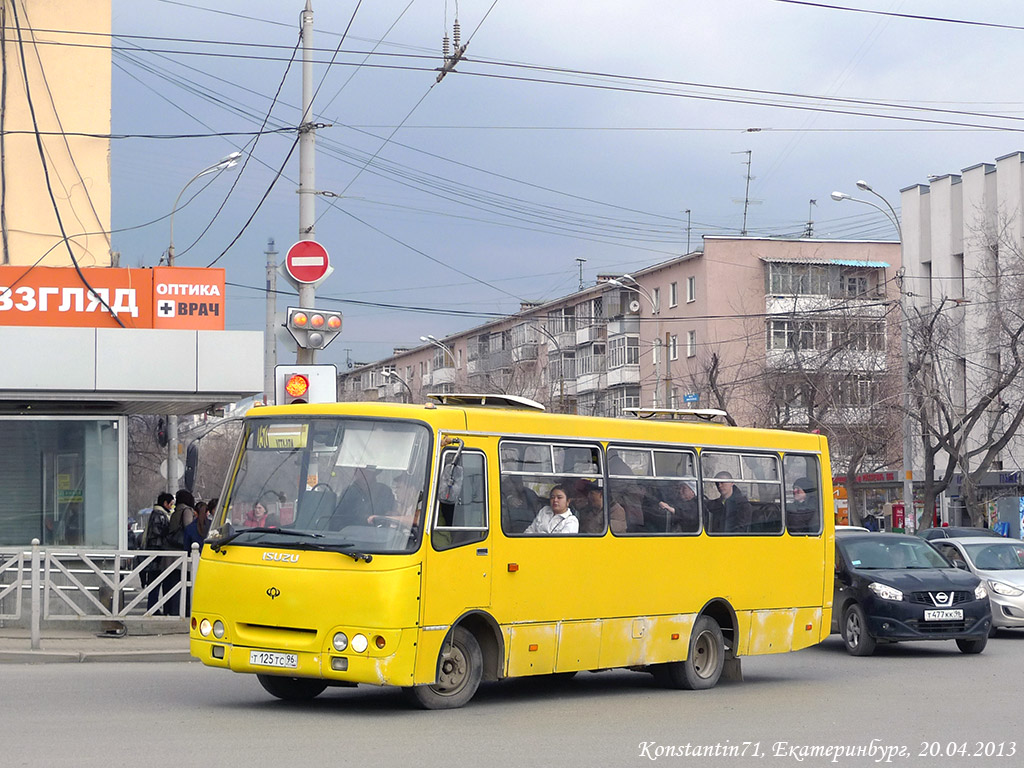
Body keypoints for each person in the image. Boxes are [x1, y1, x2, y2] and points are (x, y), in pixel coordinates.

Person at [140, 492, 180, 616]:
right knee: (155, 581)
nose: (172, 507)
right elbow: (159, 532)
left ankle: (154, 607)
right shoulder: (159, 515)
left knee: (155, 581)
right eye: (171, 504)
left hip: (154, 554)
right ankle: (153, 608)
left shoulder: (157, 514)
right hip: (156, 554)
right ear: (165, 503)